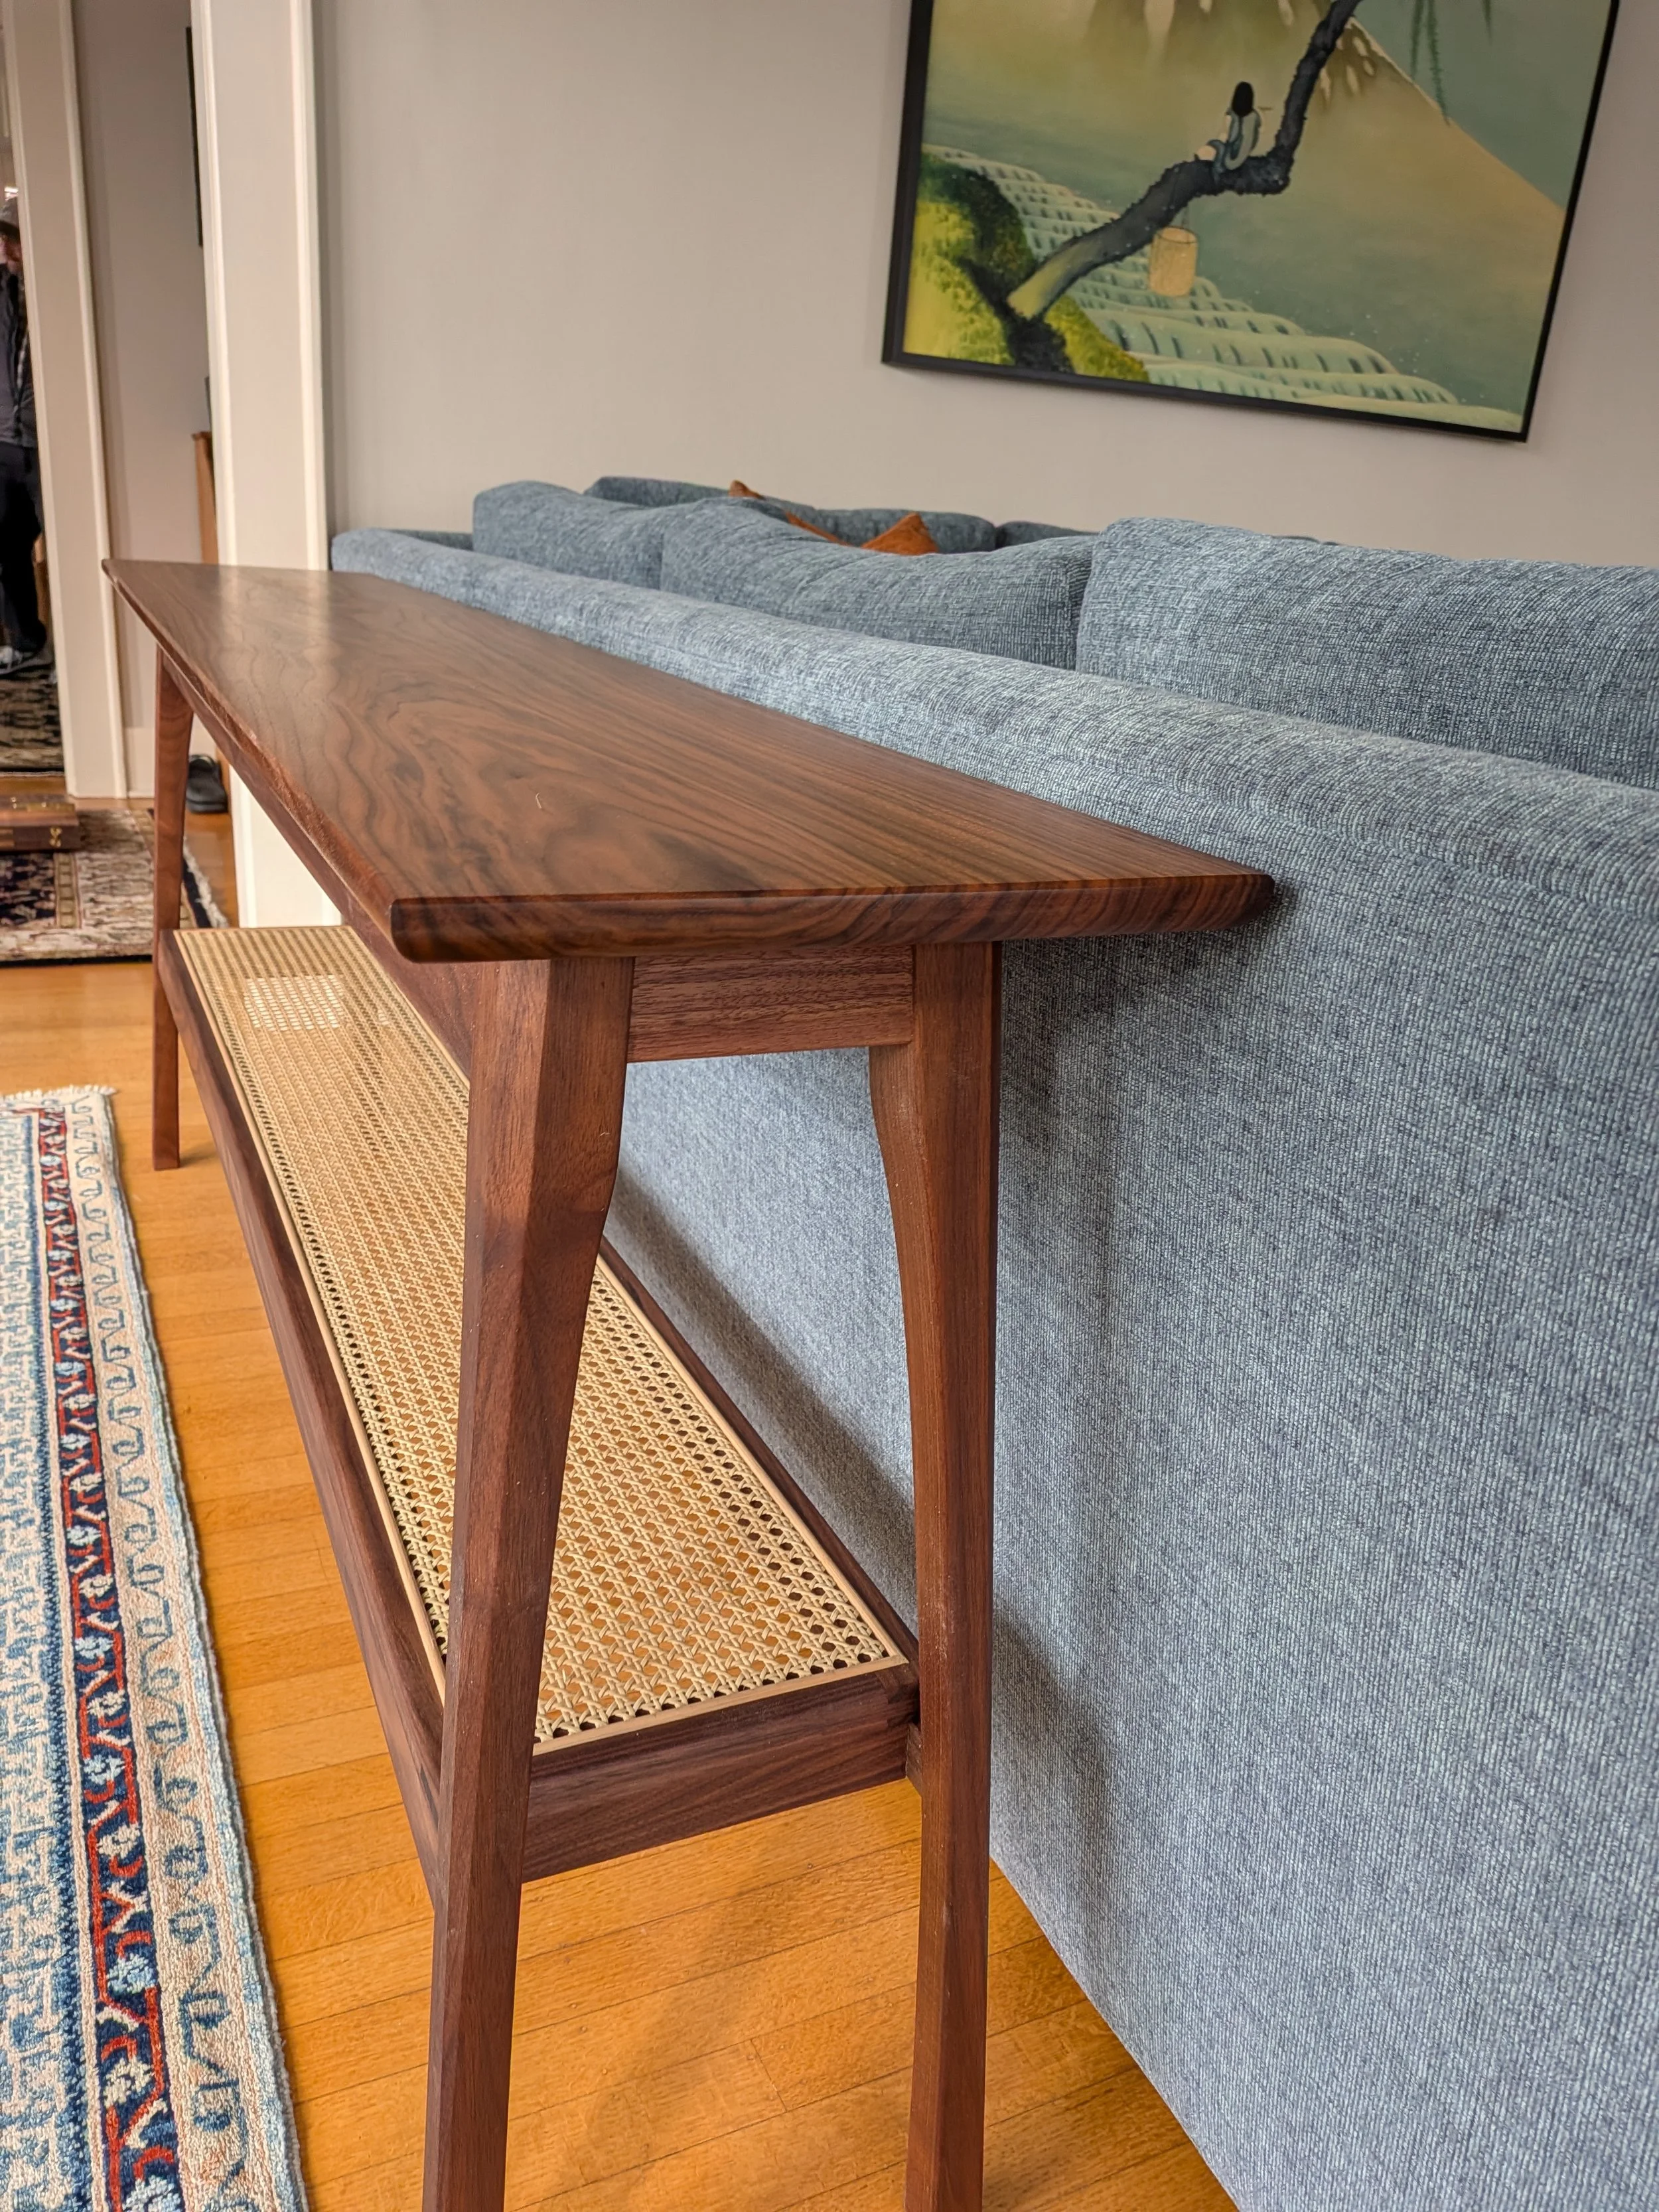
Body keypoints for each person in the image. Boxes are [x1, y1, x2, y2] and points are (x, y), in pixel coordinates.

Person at [0, 194, 48, 676]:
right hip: (5, 446)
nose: (8, 253)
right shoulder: (4, 290)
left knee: (70, 546)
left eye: (15, 242)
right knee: (5, 547)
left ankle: (77, 642)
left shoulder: (55, 289)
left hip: (51, 446)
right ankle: (26, 641)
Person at [1201, 83, 1262, 180]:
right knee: (1209, 149)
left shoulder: (1251, 118)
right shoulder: (1232, 113)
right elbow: (1226, 134)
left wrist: (1232, 163)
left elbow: (1246, 145)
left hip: (1236, 154)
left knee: (1216, 153)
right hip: (1229, 148)